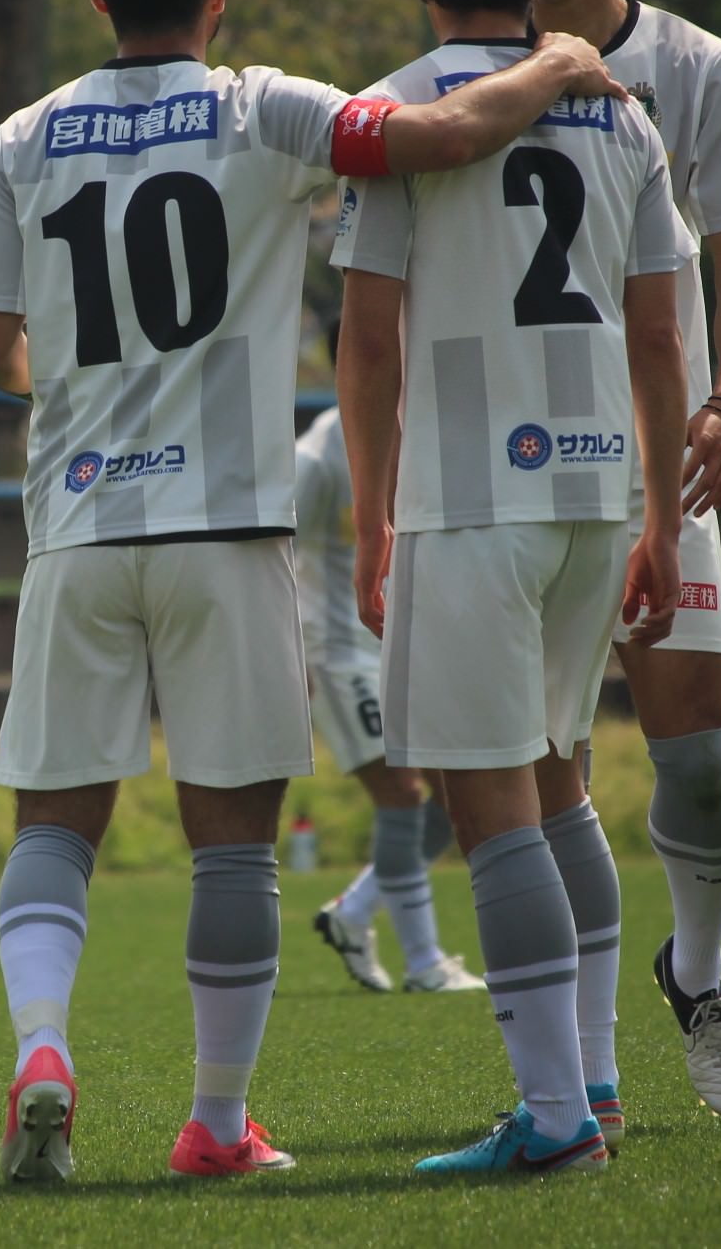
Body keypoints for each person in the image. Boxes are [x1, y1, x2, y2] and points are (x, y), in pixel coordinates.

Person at [0, 0, 620, 1186]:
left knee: (53, 827)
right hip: (227, 527)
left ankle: (42, 1048)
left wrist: (83, 390)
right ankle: (215, 1124)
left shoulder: (28, 133)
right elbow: (435, 136)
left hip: (77, 529)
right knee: (235, 849)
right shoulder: (265, 108)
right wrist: (556, 61)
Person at [333, 0, 692, 1176]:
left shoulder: (396, 114)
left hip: (473, 495)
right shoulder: (623, 117)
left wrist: (370, 517)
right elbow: (659, 337)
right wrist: (660, 515)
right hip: (598, 489)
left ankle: (551, 1121)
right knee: (558, 782)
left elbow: (369, 344)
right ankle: (592, 1084)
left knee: (491, 807)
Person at [485, 0, 721, 1116]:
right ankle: (577, 1074)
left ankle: (695, 974)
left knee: (697, 757)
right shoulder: (475, 76)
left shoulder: (693, 64)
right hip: (522, 470)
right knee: (553, 770)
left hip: (659, 459)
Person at [299, 327, 484, 997]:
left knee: (457, 793)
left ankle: (354, 912)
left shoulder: (426, 434)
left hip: (403, 642)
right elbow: (278, 556)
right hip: (338, 650)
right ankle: (425, 962)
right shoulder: (317, 455)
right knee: (402, 793)